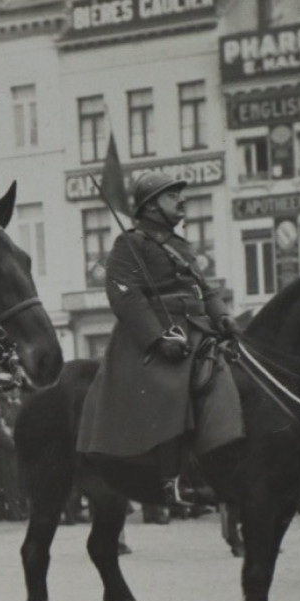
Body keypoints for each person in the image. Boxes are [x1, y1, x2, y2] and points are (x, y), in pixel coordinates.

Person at [77, 171, 244, 502]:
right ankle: (175, 477)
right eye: (172, 196)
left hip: (197, 327)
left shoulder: (181, 245)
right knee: (171, 386)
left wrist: (223, 315)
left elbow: (204, 288)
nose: (181, 201)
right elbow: (125, 294)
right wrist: (157, 338)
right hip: (157, 333)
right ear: (151, 206)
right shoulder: (131, 243)